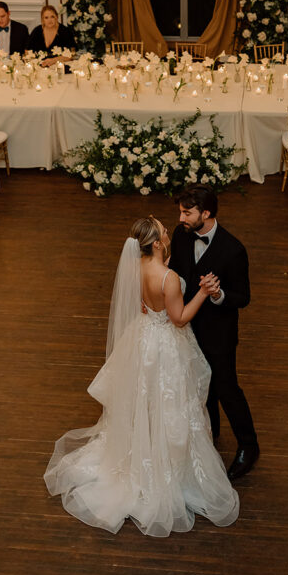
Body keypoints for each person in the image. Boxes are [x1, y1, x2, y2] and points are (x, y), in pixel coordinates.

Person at [44, 217, 240, 537]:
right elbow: (179, 319)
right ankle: (167, 468)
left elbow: (140, 306)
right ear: (159, 244)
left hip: (142, 339)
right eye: (164, 231)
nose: (168, 232)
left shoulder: (134, 269)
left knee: (144, 401)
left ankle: (141, 452)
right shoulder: (169, 278)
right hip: (164, 345)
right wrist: (203, 292)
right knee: (170, 404)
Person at [168, 184, 259, 481]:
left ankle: (249, 446)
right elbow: (177, 273)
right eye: (181, 211)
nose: (181, 217)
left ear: (206, 213)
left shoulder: (233, 250)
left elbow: (243, 297)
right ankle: (211, 433)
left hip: (218, 333)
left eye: (187, 212)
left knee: (227, 389)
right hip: (186, 326)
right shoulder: (181, 235)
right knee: (198, 382)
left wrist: (218, 295)